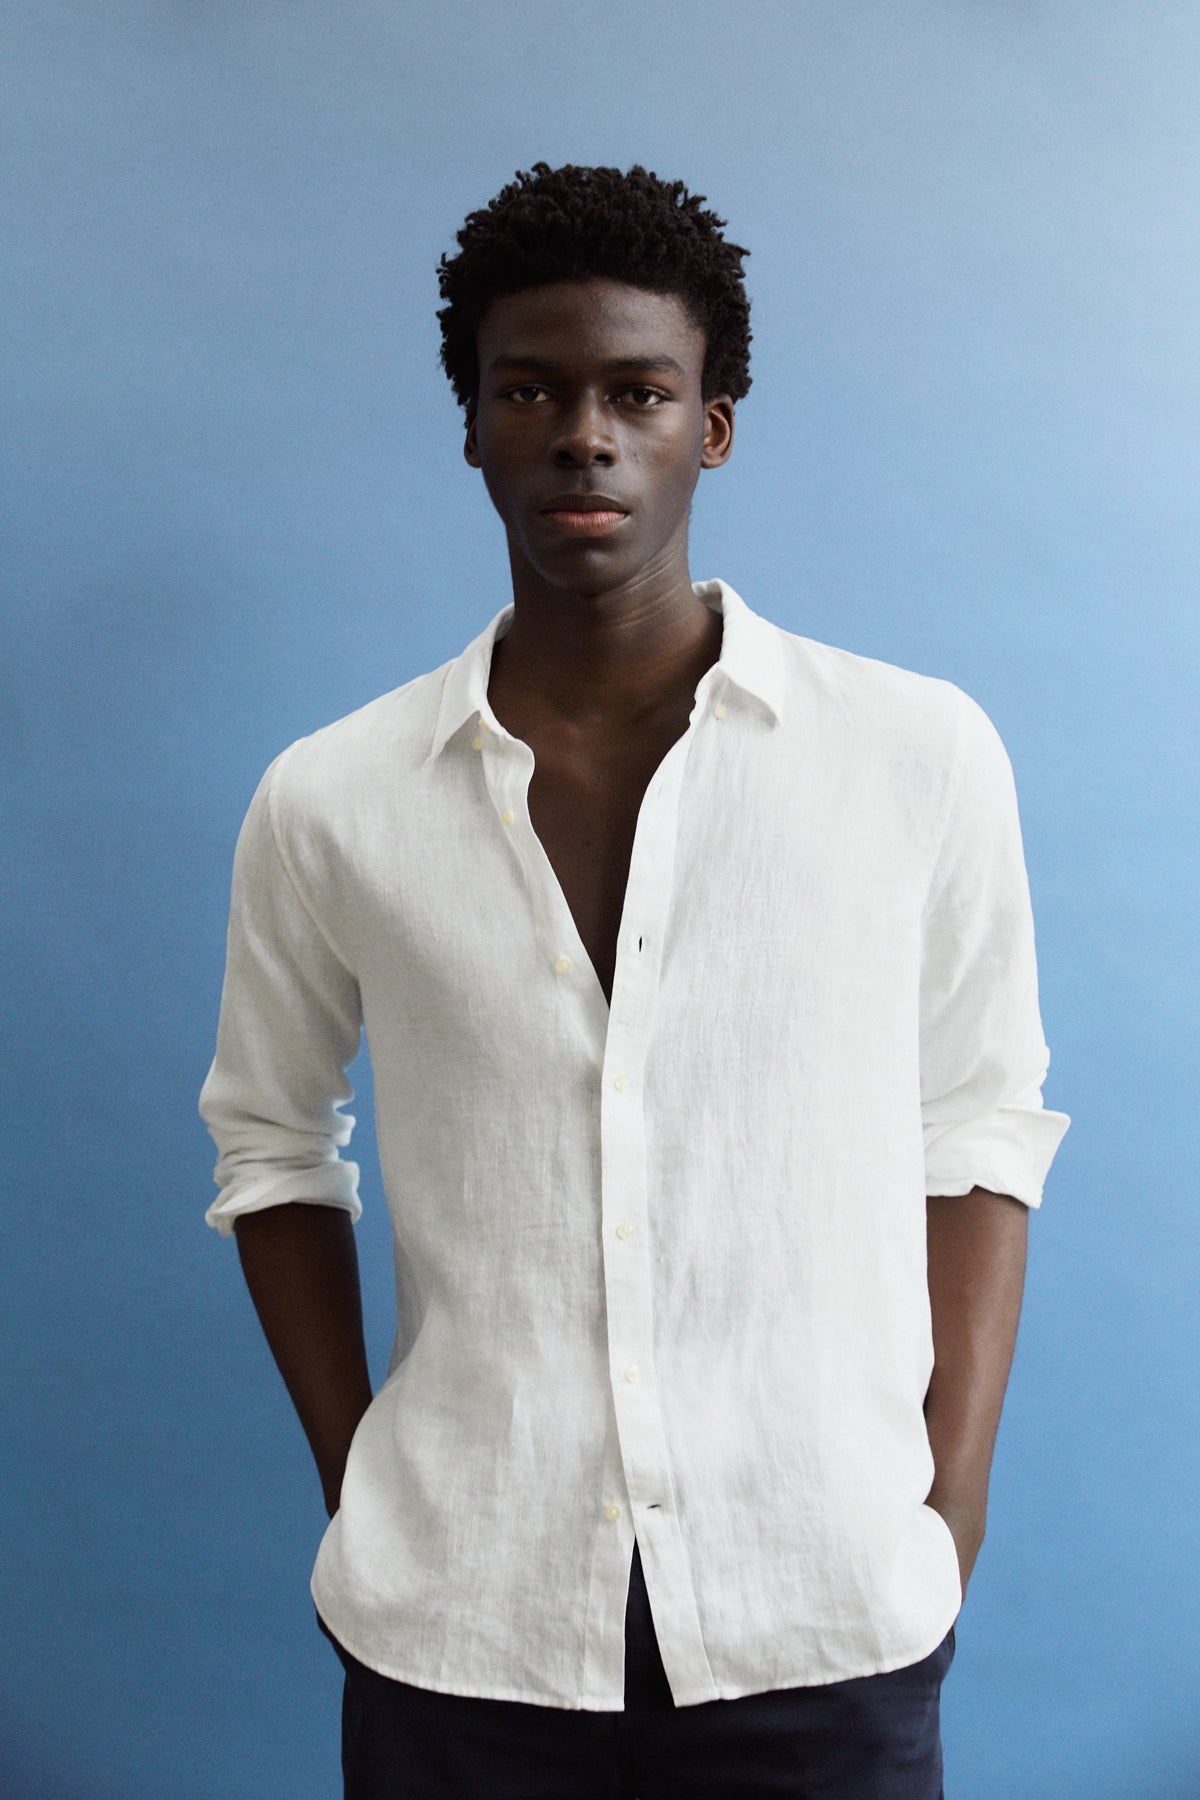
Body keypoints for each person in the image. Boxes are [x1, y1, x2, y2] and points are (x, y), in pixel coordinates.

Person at [198, 161, 1070, 1799]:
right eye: (529, 390)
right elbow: (271, 1145)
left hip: (826, 1615)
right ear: (472, 427)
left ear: (711, 428)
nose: (582, 436)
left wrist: (946, 1511)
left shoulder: (916, 755)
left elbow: (976, 1128)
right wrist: (364, 1477)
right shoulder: (332, 797)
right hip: (461, 1627)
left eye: (638, 393)